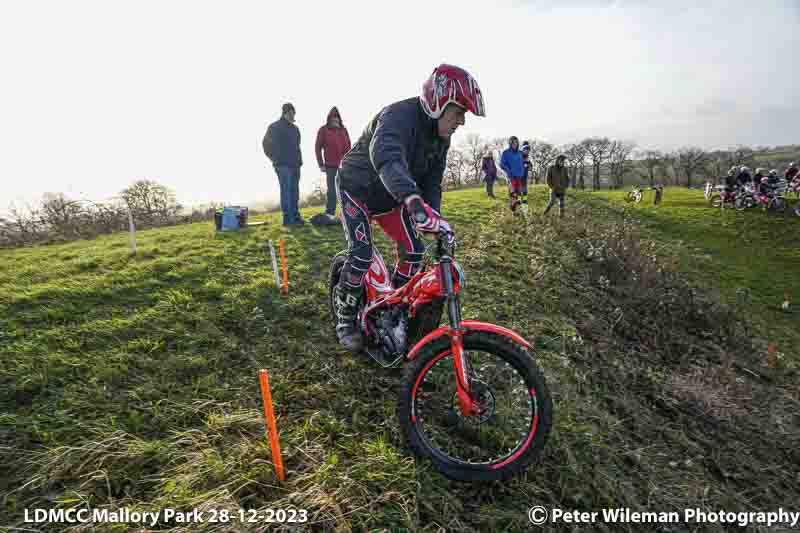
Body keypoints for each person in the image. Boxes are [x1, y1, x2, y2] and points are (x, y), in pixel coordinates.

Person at [332, 64, 485, 351]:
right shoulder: (397, 116)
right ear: (439, 102)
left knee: (415, 252)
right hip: (358, 188)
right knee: (361, 254)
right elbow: (387, 158)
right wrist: (413, 202)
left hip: (391, 199)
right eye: (459, 112)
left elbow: (433, 182)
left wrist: (434, 216)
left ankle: (392, 309)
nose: (462, 121)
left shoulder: (441, 139)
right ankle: (346, 317)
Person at [263, 103, 304, 226]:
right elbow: (266, 145)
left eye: (294, 113)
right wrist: (275, 159)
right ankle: (288, 219)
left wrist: (298, 161)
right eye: (291, 113)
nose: (293, 116)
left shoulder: (295, 129)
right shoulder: (274, 127)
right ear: (285, 113)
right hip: (282, 165)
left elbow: (298, 145)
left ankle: (296, 217)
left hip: (295, 164)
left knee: (295, 192)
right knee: (286, 191)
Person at [315, 107, 352, 222]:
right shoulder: (324, 130)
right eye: (333, 117)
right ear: (329, 118)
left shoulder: (344, 130)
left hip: (344, 165)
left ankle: (348, 213)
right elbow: (317, 148)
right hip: (330, 166)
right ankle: (329, 213)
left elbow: (349, 147)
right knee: (332, 191)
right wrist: (321, 164)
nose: (335, 120)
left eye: (337, 117)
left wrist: (350, 162)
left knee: (345, 190)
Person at [500, 136, 525, 212]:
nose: (515, 144)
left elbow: (525, 162)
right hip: (511, 176)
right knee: (513, 194)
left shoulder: (520, 153)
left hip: (520, 176)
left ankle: (516, 209)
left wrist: (527, 166)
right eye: (513, 143)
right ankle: (514, 211)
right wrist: (508, 170)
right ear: (510, 143)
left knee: (519, 194)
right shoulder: (506, 153)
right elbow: (502, 164)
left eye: (516, 143)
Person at [521, 141, 532, 207]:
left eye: (528, 150)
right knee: (518, 194)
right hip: (518, 179)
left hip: (524, 179)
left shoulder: (527, 158)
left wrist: (529, 166)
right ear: (523, 149)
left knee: (525, 194)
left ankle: (524, 205)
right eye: (526, 149)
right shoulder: (519, 156)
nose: (527, 151)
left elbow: (530, 167)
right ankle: (515, 210)